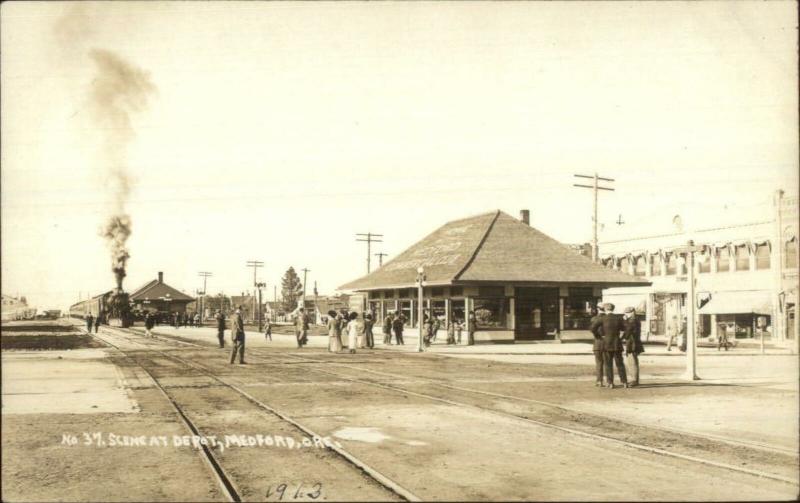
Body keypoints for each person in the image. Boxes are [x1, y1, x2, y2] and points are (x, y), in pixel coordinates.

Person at [598, 303, 628, 388]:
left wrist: (601, 336)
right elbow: (625, 329)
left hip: (606, 343)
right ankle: (624, 382)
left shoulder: (603, 318)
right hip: (617, 343)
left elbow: (593, 328)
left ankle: (610, 382)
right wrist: (621, 338)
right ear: (613, 309)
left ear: (605, 309)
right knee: (620, 364)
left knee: (608, 364)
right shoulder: (618, 318)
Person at [622, 307, 644, 387]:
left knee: (632, 362)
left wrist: (622, 337)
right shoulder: (635, 319)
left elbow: (628, 331)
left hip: (632, 343)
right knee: (633, 361)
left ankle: (634, 380)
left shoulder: (632, 320)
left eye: (627, 313)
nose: (625, 314)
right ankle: (634, 379)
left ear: (632, 312)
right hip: (635, 342)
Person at [589, 304, 606, 387]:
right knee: (608, 363)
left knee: (599, 363)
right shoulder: (608, 318)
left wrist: (597, 335)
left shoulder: (594, 319)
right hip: (607, 342)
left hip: (598, 342)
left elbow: (592, 329)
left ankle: (599, 381)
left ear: (598, 309)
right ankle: (610, 381)